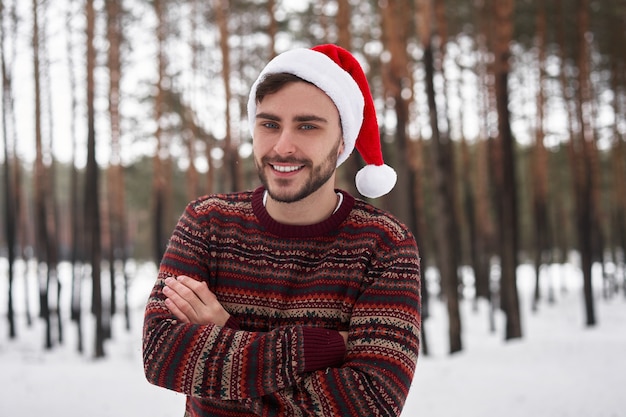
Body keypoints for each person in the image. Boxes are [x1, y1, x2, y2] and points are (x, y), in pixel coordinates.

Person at [143, 44, 421, 417]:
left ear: (342, 140)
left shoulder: (384, 244)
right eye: (269, 124)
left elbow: (369, 403)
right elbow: (161, 355)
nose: (282, 146)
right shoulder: (207, 222)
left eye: (307, 125)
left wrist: (226, 332)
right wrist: (317, 347)